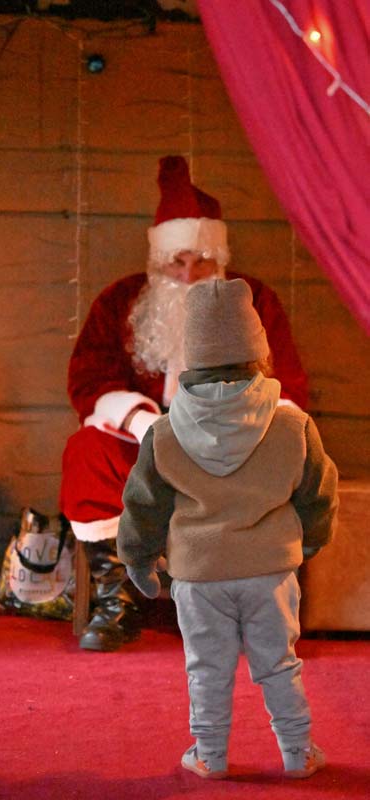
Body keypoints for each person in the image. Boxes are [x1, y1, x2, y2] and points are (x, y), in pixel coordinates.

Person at [60, 155, 309, 652]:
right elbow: (90, 379)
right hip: (144, 444)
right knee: (87, 451)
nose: (189, 274)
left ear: (221, 260)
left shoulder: (254, 301)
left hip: (231, 445)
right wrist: (139, 421)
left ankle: (237, 608)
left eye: (202, 261)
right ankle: (118, 600)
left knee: (275, 462)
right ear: (158, 261)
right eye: (177, 262)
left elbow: (286, 385)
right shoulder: (121, 301)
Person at [116, 277, 338, 779]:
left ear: (191, 357)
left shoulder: (164, 434)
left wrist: (138, 558)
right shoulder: (294, 426)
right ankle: (298, 753)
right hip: (270, 572)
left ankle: (210, 755)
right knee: (279, 664)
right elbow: (319, 495)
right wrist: (309, 542)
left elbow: (143, 506)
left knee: (207, 668)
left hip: (199, 576)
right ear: (258, 349)